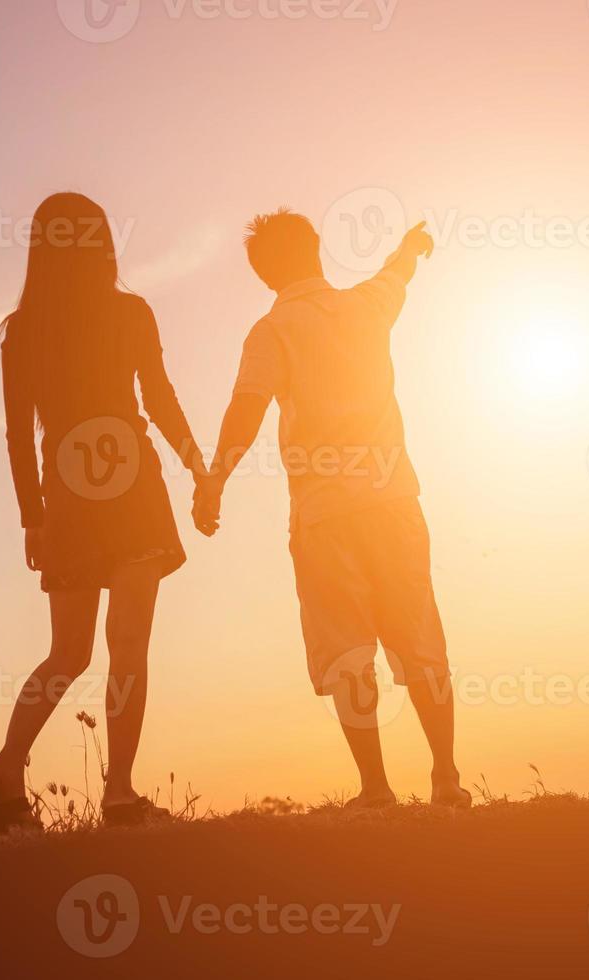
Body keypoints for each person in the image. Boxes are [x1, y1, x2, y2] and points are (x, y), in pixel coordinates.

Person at [192, 209, 468, 808]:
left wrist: (214, 480)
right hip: (393, 500)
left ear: (263, 273)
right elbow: (397, 273)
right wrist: (412, 246)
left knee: (346, 649)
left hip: (325, 515)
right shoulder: (368, 305)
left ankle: (375, 788)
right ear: (316, 249)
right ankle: (446, 776)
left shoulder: (272, 330)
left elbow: (247, 406)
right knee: (418, 636)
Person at [0, 192, 205, 834]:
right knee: (75, 652)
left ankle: (119, 792)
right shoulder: (29, 329)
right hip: (79, 501)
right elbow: (18, 432)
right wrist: (32, 516)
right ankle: (9, 766)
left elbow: (156, 395)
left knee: (119, 645)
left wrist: (195, 463)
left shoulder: (124, 315)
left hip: (123, 495)